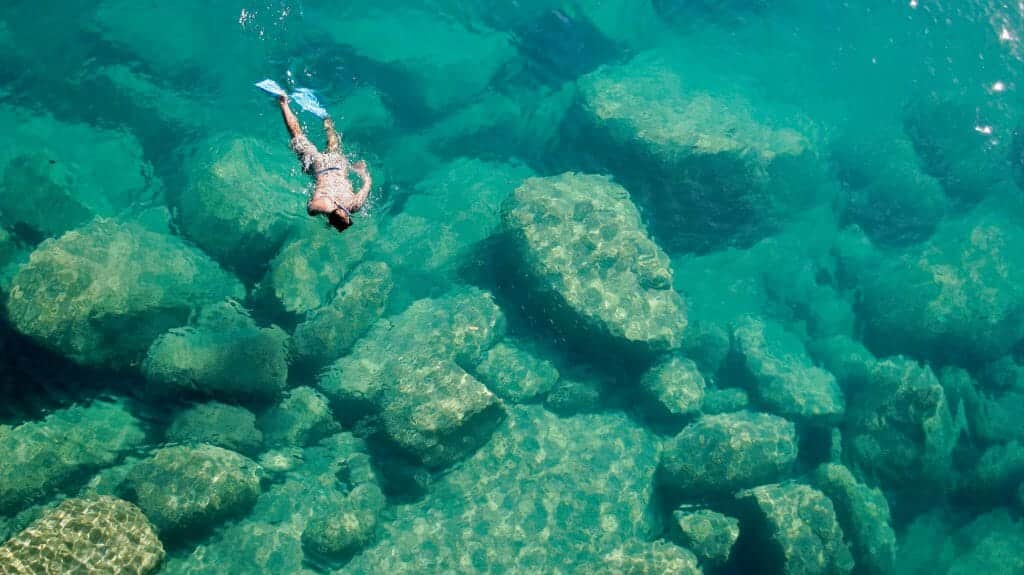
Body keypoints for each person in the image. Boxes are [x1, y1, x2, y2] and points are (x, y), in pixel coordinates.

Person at [277, 94, 372, 233]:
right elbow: (310, 206)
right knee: (296, 136)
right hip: (318, 168)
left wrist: (361, 172)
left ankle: (326, 119)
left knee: (333, 144)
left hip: (338, 165)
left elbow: (368, 183)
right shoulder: (318, 207)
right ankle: (283, 103)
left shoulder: (354, 205)